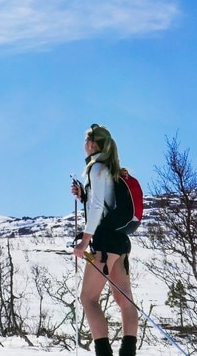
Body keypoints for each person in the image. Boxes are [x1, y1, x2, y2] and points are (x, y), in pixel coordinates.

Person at [72, 123, 137, 356]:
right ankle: (128, 352)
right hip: (120, 243)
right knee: (125, 301)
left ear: (91, 144)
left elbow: (99, 207)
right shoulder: (111, 169)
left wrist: (84, 241)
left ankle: (104, 353)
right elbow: (103, 202)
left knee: (88, 299)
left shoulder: (97, 168)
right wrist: (84, 196)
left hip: (104, 243)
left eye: (86, 141)